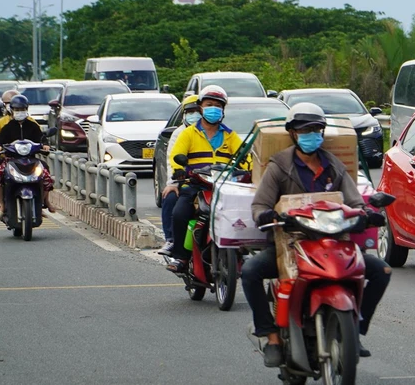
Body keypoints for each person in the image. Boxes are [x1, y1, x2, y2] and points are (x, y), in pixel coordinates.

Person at [243, 102, 391, 367]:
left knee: (381, 270)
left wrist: (367, 214)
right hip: (290, 244)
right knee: (250, 271)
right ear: (293, 133)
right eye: (305, 130)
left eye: (316, 130)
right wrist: (267, 215)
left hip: (333, 243)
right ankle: (271, 337)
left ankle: (355, 330)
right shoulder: (279, 166)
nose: (311, 135)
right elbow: (259, 205)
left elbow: (355, 202)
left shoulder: (334, 166)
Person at [165, 85, 248, 272]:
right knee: (180, 213)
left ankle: (241, 253)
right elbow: (176, 155)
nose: (213, 109)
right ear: (201, 107)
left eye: (218, 106)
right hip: (195, 185)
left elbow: (245, 156)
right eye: (209, 104)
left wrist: (250, 167)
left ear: (223, 110)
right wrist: (179, 171)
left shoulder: (230, 135)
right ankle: (180, 257)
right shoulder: (188, 133)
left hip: (224, 187)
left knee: (243, 214)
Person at [0, 95, 55, 219]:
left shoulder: (32, 125)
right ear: (12, 110)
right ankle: (2, 205)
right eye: (17, 110)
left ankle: (43, 203)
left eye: (22, 109)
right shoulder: (7, 126)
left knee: (46, 175)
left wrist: (45, 145)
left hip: (31, 159)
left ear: (26, 109)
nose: (20, 112)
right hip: (10, 160)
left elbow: (41, 139)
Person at [156, 95, 202, 256]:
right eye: (191, 112)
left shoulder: (223, 133)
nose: (195, 115)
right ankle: (171, 240)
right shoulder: (180, 134)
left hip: (212, 180)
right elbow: (172, 159)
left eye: (198, 111)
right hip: (188, 180)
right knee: (170, 198)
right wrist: (174, 183)